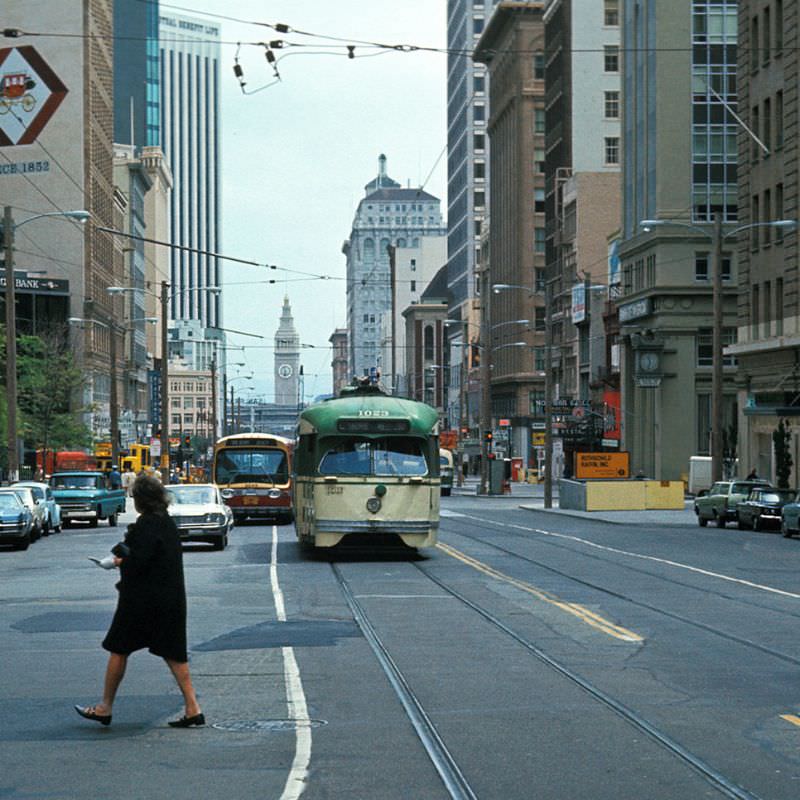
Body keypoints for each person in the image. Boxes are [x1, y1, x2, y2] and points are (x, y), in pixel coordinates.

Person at [75, 474, 204, 728]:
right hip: (170, 600)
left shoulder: (146, 525)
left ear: (141, 500)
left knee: (118, 648)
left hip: (142, 602)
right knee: (175, 654)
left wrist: (116, 562)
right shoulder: (166, 523)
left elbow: (139, 561)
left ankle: (104, 707)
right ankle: (192, 708)